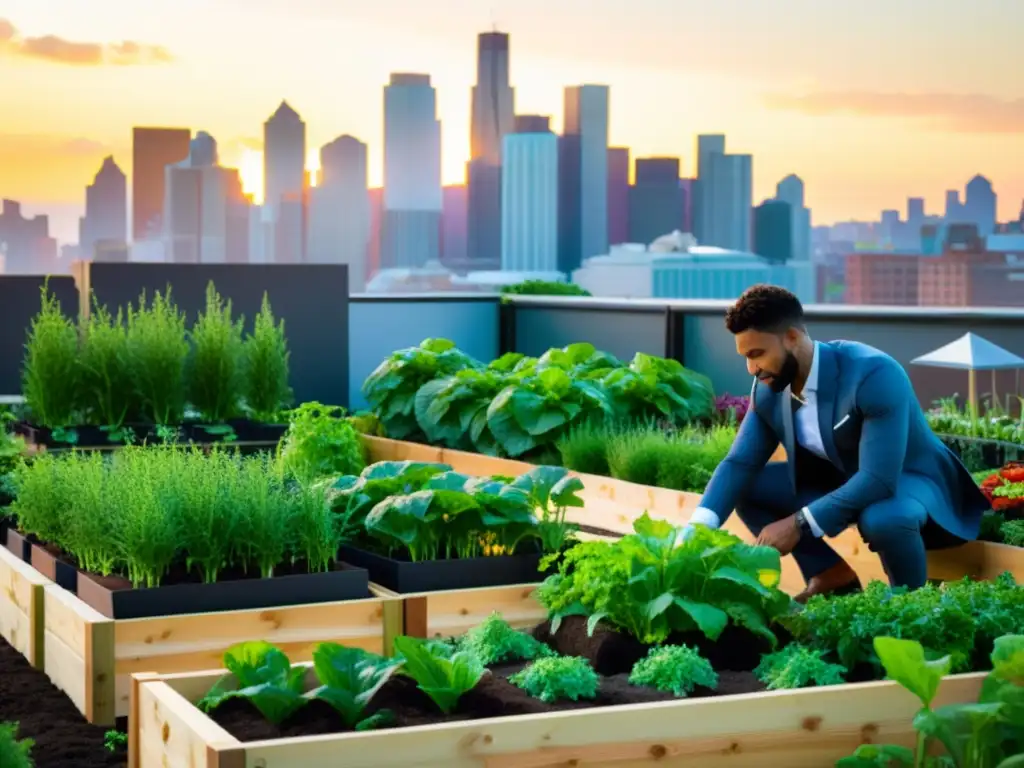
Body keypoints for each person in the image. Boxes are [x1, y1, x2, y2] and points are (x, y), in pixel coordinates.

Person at [689, 284, 989, 601]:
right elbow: (740, 463)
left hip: (907, 478)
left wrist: (799, 524)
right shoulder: (769, 387)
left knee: (885, 518)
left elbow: (878, 479)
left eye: (757, 354)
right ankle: (830, 574)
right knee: (746, 485)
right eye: (745, 357)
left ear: (792, 337)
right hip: (840, 477)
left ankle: (908, 607)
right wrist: (694, 532)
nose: (751, 369)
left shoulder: (873, 372)